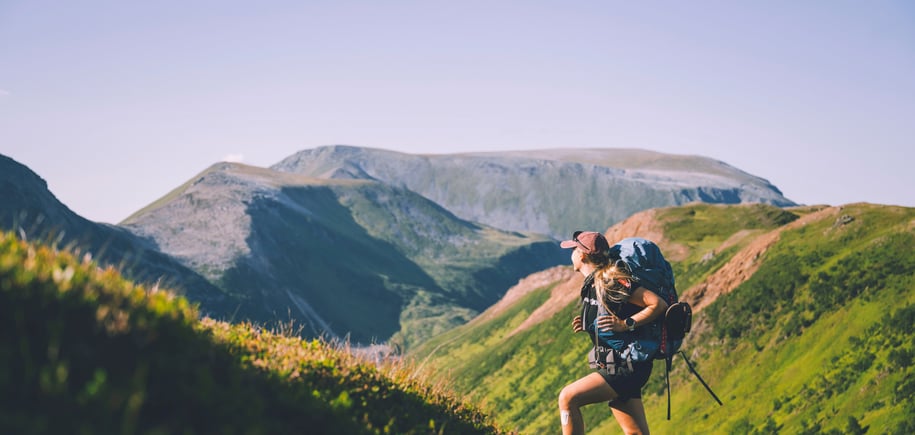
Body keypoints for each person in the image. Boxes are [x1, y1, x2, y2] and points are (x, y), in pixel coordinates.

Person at [557, 231, 668, 435]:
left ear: (582, 255)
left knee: (567, 398)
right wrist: (589, 324)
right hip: (624, 364)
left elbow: (657, 304)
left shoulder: (611, 281)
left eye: (573, 249)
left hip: (626, 367)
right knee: (635, 432)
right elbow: (609, 313)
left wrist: (626, 324)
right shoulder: (593, 282)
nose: (570, 253)